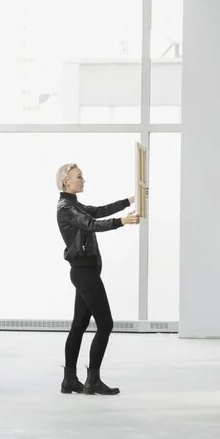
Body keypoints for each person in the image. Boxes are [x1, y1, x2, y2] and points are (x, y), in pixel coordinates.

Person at [55, 163, 140, 396]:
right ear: (66, 182)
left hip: (86, 271)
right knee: (106, 324)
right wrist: (123, 221)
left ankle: (69, 380)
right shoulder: (66, 208)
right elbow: (92, 224)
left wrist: (130, 200)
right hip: (84, 273)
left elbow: (99, 211)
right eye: (78, 177)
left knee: (79, 326)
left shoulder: (75, 205)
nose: (83, 180)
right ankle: (92, 380)